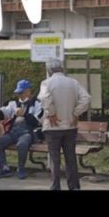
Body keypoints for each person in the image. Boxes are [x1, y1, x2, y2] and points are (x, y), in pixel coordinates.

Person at [38, 59, 91, 190]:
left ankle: (56, 186)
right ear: (62, 68)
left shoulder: (46, 83)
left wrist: (51, 113)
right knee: (70, 157)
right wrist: (76, 113)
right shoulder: (73, 82)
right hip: (70, 125)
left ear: (49, 70)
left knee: (54, 158)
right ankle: (74, 186)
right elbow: (86, 98)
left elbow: (44, 98)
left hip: (52, 127)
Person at [0, 79, 43, 180]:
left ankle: (21, 168)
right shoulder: (13, 103)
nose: (20, 95)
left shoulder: (37, 104)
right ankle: (4, 168)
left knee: (22, 144)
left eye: (22, 92)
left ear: (28, 91)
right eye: (18, 93)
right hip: (13, 132)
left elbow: (37, 121)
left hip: (28, 132)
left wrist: (25, 114)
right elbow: (5, 112)